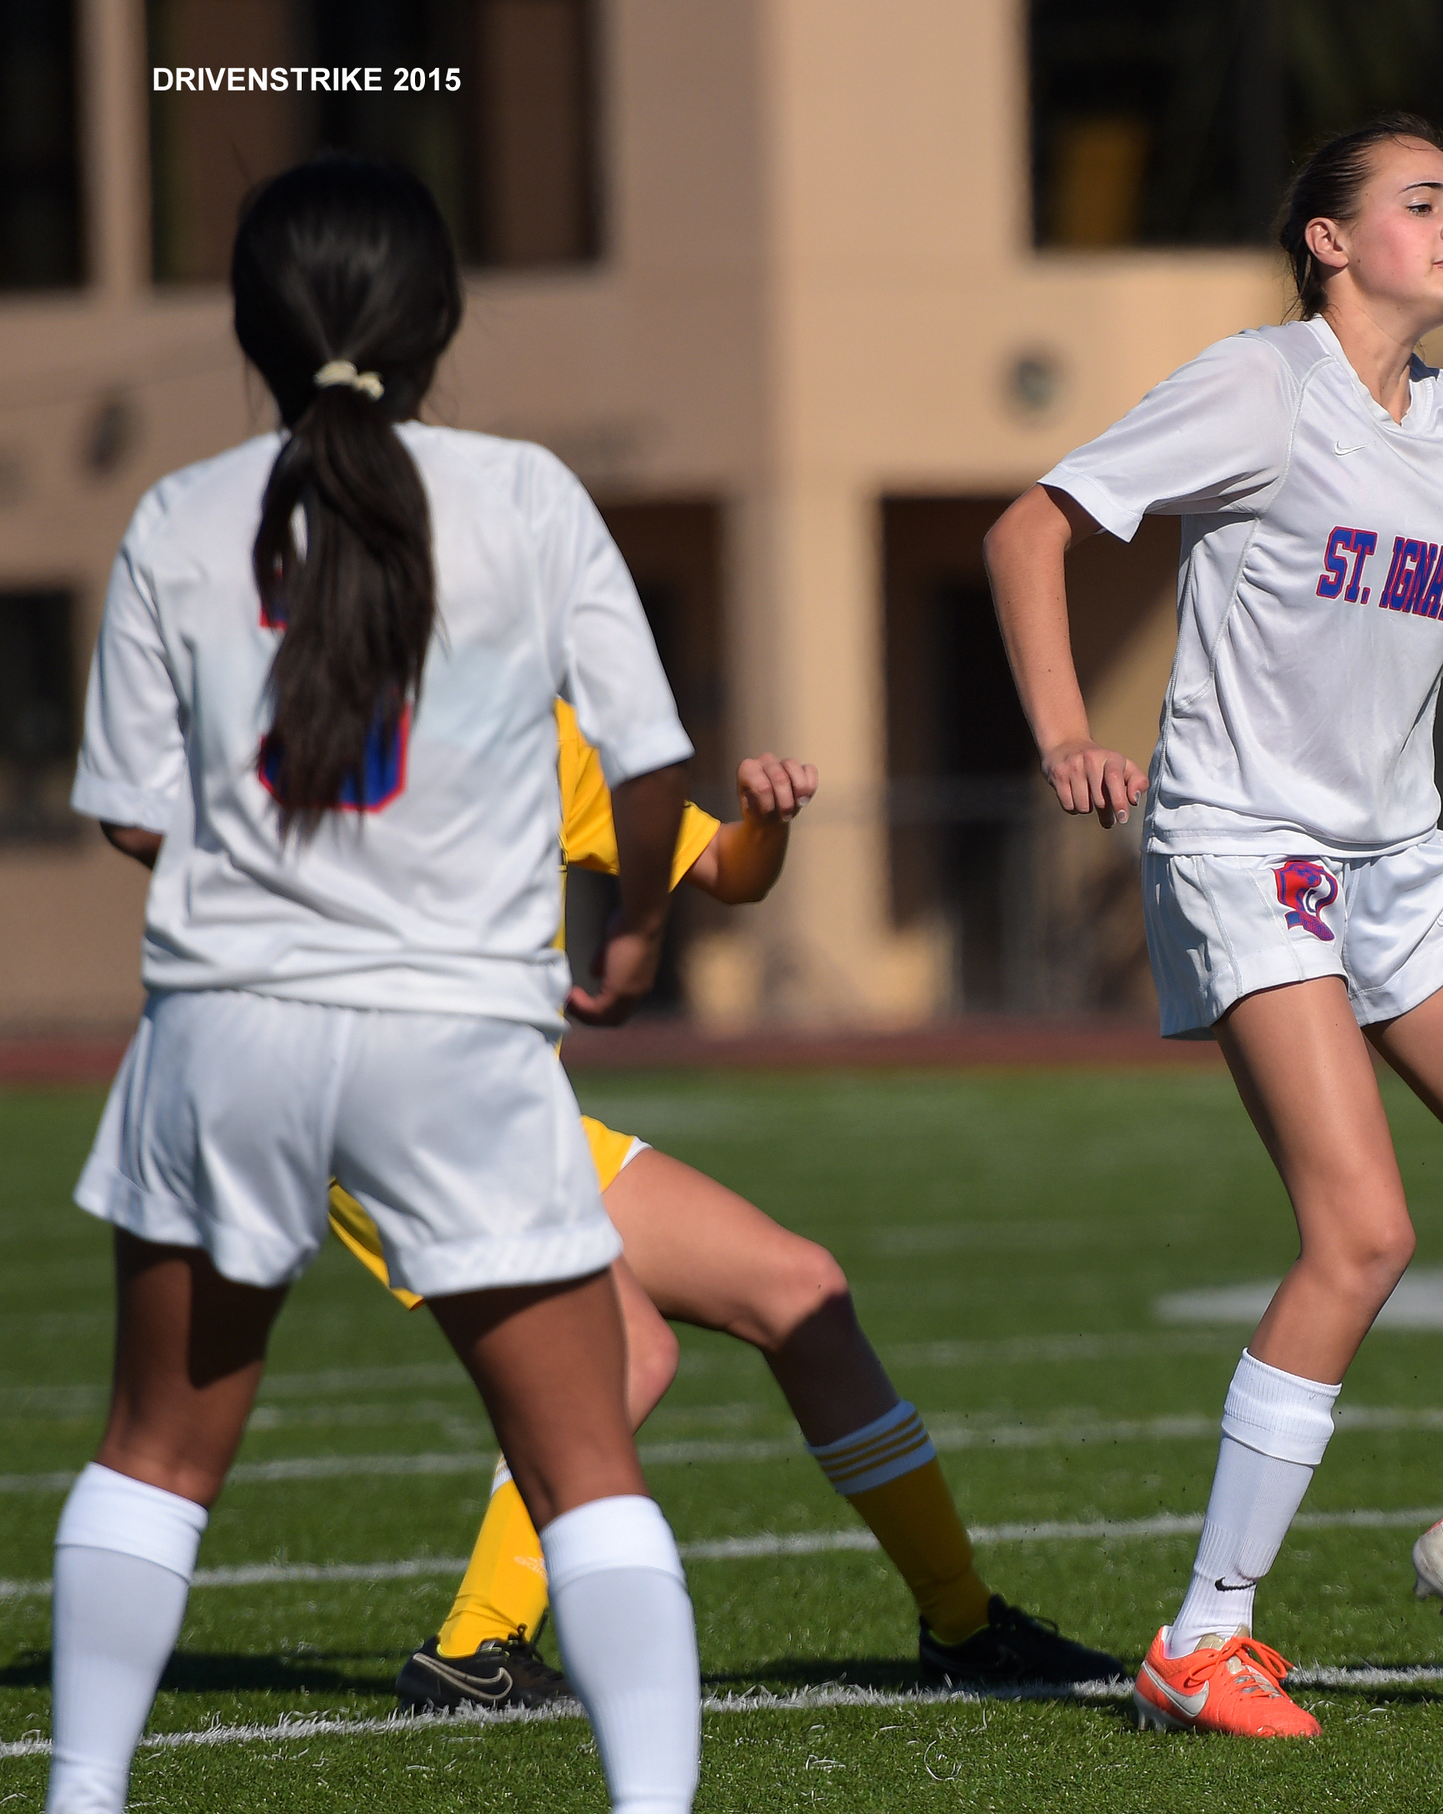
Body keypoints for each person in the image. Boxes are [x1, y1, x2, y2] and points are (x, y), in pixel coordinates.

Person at [984, 114, 1443, 1739]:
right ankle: (1202, 1633)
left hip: (1400, 857)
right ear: (1328, 239)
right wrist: (1058, 736)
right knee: (1363, 1232)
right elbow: (1027, 529)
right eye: (1422, 200)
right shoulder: (1262, 384)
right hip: (1246, 845)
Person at [55, 158, 701, 1813]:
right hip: (458, 1038)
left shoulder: (178, 512)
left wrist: (273, 906)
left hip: (222, 1032)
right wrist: (619, 928)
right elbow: (647, 760)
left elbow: (134, 806)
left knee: (155, 1457)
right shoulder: (529, 495)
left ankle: (78, 1797)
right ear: (443, 321)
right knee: (585, 1469)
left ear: (248, 328)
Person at [335, 704, 1122, 1711]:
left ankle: (966, 1626)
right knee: (623, 1348)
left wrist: (767, 818)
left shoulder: (535, 716)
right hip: (389, 1101)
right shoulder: (341, 704)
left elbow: (730, 873)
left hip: (511, 1104)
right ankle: (475, 1645)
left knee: (799, 1289)